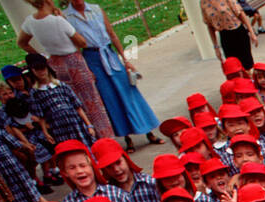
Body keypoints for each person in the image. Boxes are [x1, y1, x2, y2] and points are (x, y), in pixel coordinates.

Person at [64, 0, 161, 150]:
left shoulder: (96, 10)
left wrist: (125, 60)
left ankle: (148, 132)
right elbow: (75, 47)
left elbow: (112, 34)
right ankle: (127, 138)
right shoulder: (67, 17)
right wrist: (86, 69)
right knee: (109, 99)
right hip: (91, 58)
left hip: (109, 55)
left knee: (129, 93)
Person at [17, 0, 114, 140]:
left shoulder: (30, 22)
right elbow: (82, 42)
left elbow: (21, 42)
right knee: (91, 101)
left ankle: (86, 137)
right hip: (74, 61)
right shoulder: (58, 21)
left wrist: (40, 55)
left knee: (69, 101)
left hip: (55, 63)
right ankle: (105, 137)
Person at [200, 0, 260, 70]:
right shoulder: (203, 3)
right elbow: (209, 26)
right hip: (224, 36)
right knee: (233, 68)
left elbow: (241, 14)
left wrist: (252, 33)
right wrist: (216, 48)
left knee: (247, 66)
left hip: (239, 33)